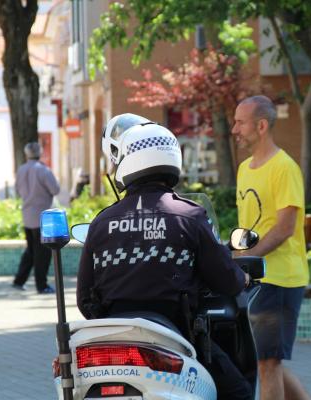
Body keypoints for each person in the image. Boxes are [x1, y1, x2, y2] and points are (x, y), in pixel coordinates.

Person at [76, 113, 252, 400]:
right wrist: (242, 278)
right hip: (177, 338)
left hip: (113, 343)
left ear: (126, 161)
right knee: (239, 392)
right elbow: (227, 281)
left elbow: (84, 298)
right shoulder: (190, 216)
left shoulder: (102, 222)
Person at [232, 96, 311, 400]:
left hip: (279, 278)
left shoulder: (284, 167)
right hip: (254, 277)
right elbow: (250, 225)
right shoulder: (244, 169)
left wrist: (248, 258)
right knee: (266, 360)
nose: (234, 128)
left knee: (267, 361)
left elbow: (284, 228)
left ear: (261, 126)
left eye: (241, 122)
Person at [12, 142, 60, 294]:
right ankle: (42, 285)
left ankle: (19, 280)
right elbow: (55, 189)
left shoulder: (21, 170)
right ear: (40, 153)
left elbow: (17, 191)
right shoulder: (43, 170)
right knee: (43, 253)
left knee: (31, 251)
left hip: (27, 216)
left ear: (27, 154)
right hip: (43, 217)